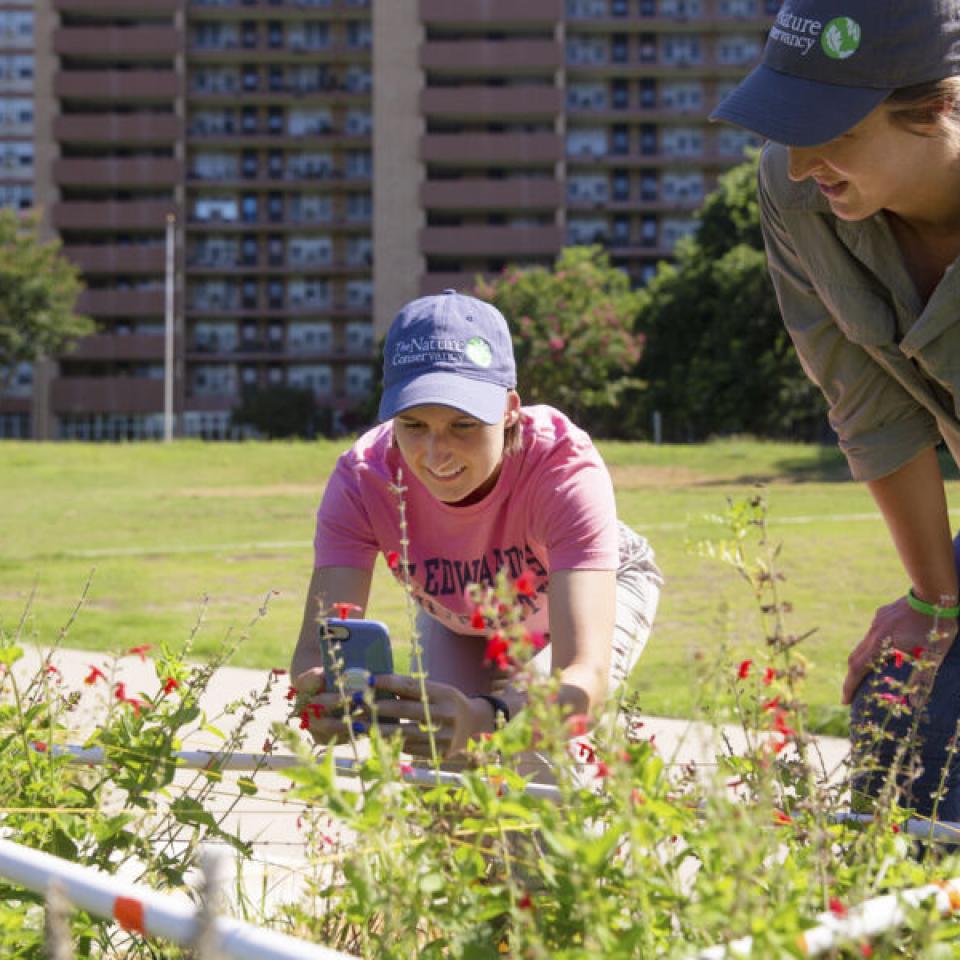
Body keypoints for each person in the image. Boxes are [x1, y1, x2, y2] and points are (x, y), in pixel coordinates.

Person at [711, 0, 960, 816]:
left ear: (937, 106)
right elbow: (867, 405)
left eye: (834, 130)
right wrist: (936, 599)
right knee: (905, 703)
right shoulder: (795, 193)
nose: (799, 160)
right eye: (787, 121)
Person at [290, 289, 661, 763]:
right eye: (413, 425)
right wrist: (321, 696)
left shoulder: (563, 471)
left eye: (463, 425)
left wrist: (489, 717)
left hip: (597, 586)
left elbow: (582, 677)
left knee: (544, 757)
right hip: (462, 617)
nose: (433, 453)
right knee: (441, 764)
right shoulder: (364, 480)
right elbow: (313, 654)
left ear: (509, 410)